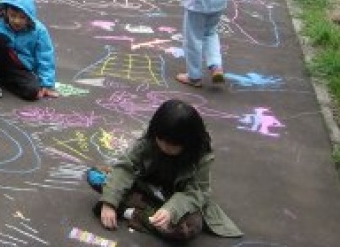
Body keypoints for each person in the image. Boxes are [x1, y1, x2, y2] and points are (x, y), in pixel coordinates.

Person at [87, 99, 242, 241]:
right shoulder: (152, 137)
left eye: (173, 144)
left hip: (174, 198)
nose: (165, 147)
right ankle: (132, 207)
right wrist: (109, 203)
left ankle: (131, 211)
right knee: (95, 174)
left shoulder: (202, 155)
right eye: (161, 140)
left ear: (189, 142)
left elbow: (197, 191)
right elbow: (125, 167)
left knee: (187, 229)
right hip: (146, 187)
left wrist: (171, 210)